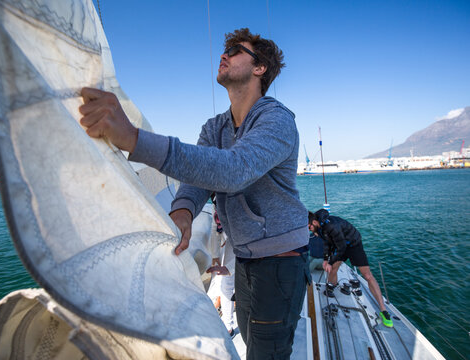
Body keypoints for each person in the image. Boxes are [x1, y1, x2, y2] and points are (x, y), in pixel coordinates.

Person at [79, 28, 310, 359]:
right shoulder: (214, 127)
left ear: (260, 69)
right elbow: (200, 180)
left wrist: (133, 138)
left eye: (234, 49)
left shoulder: (276, 119)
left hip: (279, 260)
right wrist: (184, 211)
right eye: (224, 49)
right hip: (245, 258)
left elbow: (234, 170)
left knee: (266, 352)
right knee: (248, 335)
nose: (224, 54)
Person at [308, 209, 394, 328]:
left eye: (309, 227)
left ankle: (384, 310)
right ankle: (332, 287)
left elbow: (341, 248)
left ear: (314, 223)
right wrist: (326, 260)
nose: (309, 230)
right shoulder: (321, 228)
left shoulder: (331, 226)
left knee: (367, 275)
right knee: (332, 269)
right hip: (340, 244)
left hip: (353, 245)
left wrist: (330, 261)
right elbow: (327, 243)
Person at [206, 210, 236, 337]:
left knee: (227, 284)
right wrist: (215, 255)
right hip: (230, 235)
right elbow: (215, 227)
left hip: (246, 238)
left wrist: (229, 268)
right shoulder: (218, 201)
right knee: (223, 281)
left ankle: (228, 328)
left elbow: (252, 245)